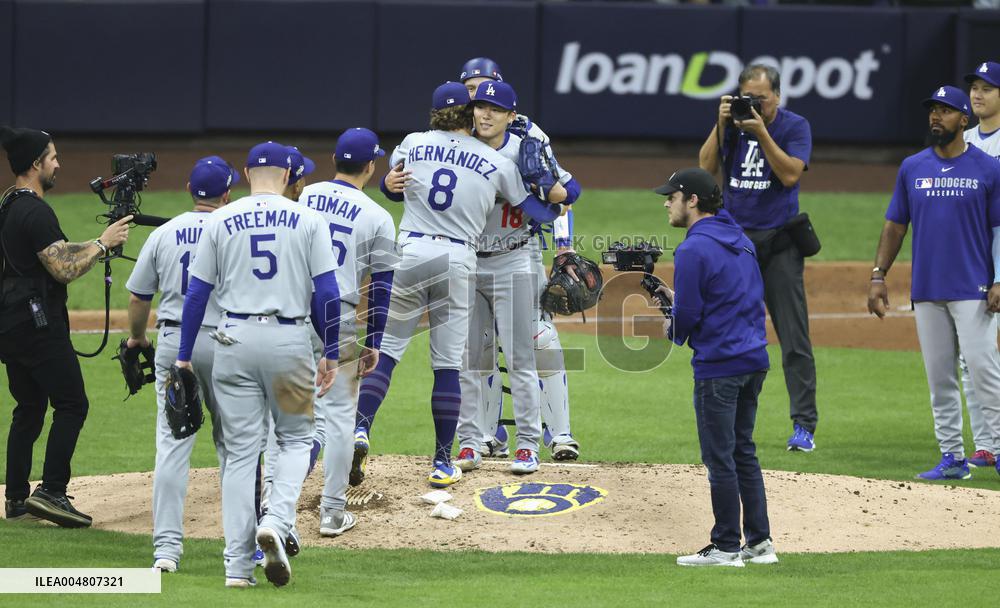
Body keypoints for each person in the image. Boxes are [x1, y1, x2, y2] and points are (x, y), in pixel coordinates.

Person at [352, 82, 564, 488]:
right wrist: (556, 202)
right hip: (459, 259)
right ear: (469, 113)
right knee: (454, 361)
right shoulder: (494, 160)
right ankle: (448, 456)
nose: (484, 114)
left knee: (390, 350)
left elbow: (393, 183)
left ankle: (361, 429)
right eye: (478, 108)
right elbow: (536, 207)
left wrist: (387, 187)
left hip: (410, 252)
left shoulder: (411, 142)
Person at [177, 141, 341, 588]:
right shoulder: (309, 219)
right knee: (294, 440)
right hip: (288, 344)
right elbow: (326, 292)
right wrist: (331, 349)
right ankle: (277, 520)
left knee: (239, 456)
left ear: (246, 175)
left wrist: (185, 355)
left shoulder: (220, 219)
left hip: (232, 340)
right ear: (288, 177)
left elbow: (196, 294)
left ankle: (235, 568)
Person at [0, 127, 132, 527]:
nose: (59, 164)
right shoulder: (35, 211)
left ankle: (18, 500)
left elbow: (47, 254)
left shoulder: (8, 205)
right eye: (53, 157)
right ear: (36, 163)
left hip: (11, 325)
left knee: (29, 408)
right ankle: (53, 492)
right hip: (37, 325)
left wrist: (93, 242)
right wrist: (104, 243)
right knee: (73, 404)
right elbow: (61, 266)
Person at [868, 86, 1000, 481]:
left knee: (983, 371)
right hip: (926, 289)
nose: (936, 118)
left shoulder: (988, 168)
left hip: (973, 288)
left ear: (964, 120)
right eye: (932, 111)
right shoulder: (912, 167)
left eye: (945, 111)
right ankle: (952, 458)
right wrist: (878, 275)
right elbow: (895, 224)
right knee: (939, 377)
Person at [458, 56, 584, 461]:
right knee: (477, 350)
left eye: (485, 90)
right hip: (468, 257)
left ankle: (558, 435)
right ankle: (485, 435)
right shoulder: (452, 132)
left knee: (538, 341)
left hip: (518, 252)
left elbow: (566, 191)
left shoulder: (529, 135)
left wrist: (564, 247)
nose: (478, 98)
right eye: (471, 91)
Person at [656, 167, 775, 568]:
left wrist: (671, 321)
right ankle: (759, 544)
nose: (666, 203)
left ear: (693, 201)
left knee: (719, 458)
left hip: (718, 366)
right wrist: (677, 301)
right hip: (753, 360)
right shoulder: (740, 240)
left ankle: (726, 547)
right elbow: (731, 296)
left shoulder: (692, 249)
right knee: (744, 452)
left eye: (672, 196)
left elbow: (687, 317)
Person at [125, 156, 238, 572]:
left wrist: (138, 337)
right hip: (226, 342)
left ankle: (166, 553)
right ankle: (244, 548)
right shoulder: (233, 232)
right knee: (235, 448)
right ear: (227, 194)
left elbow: (139, 297)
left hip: (174, 342)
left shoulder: (165, 233)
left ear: (190, 191)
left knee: (172, 447)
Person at [698, 64, 818, 452]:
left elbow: (790, 175)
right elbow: (705, 169)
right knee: (730, 332)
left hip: (780, 243)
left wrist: (762, 131)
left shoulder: (794, 126)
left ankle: (804, 425)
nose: (754, 106)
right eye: (747, 98)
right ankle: (730, 418)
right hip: (738, 244)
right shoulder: (731, 125)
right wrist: (721, 125)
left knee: (793, 337)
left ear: (777, 97)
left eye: (761, 99)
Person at [297, 127, 397, 535]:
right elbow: (383, 287)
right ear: (371, 167)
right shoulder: (378, 216)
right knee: (339, 418)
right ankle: (332, 513)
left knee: (289, 412)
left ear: (334, 160)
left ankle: (271, 502)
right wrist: (373, 342)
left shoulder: (303, 195)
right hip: (338, 318)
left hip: (291, 311)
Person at [961, 61, 1000, 468]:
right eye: (975, 86)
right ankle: (987, 443)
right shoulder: (964, 140)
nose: (978, 93)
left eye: (988, 88)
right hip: (972, 262)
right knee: (972, 358)